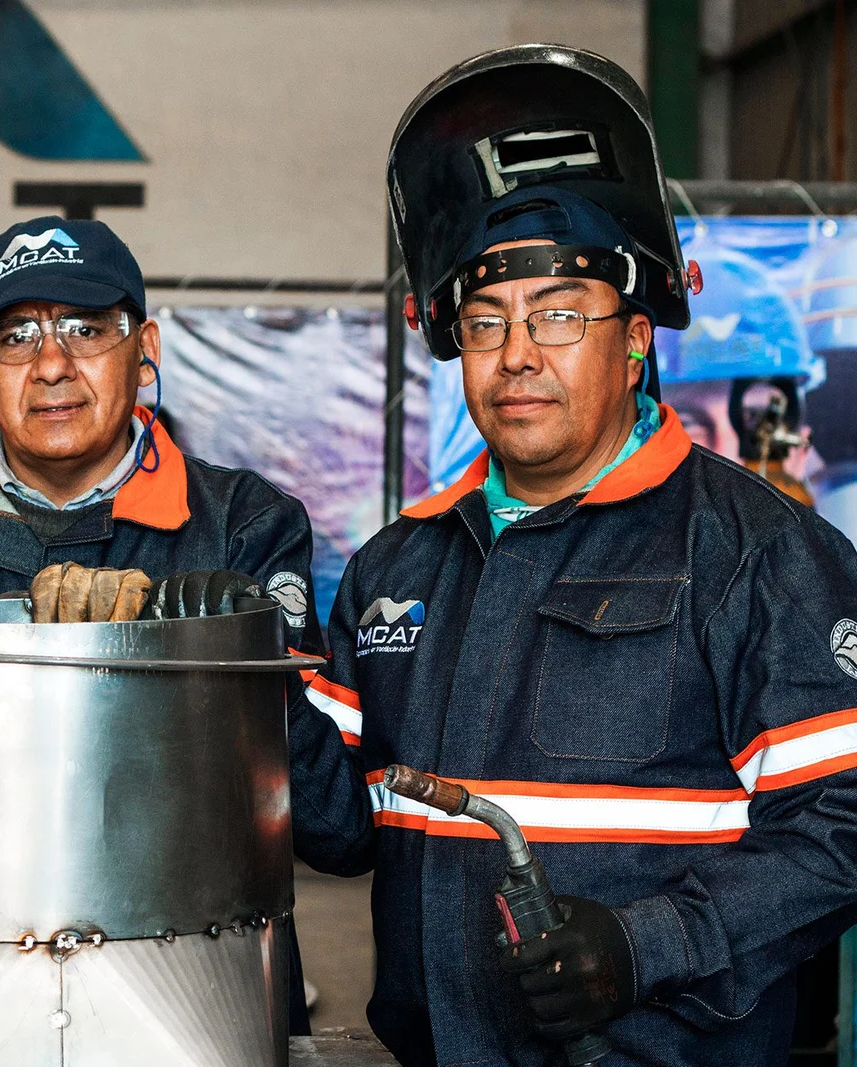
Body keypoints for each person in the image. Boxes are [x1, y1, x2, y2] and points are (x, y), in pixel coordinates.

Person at [291, 45, 857, 1065]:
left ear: (635, 339)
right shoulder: (397, 569)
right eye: (486, 319)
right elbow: (333, 825)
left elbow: (841, 824)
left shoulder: (754, 553)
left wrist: (645, 945)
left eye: (558, 314)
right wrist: (230, 659)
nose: (517, 353)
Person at [0, 215, 363, 1033]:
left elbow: (337, 829)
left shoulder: (244, 528)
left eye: (84, 328)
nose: (51, 365)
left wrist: (228, 643)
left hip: (196, 1012)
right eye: (16, 335)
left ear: (143, 348)